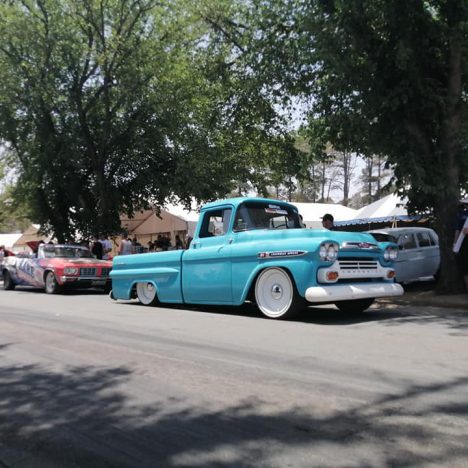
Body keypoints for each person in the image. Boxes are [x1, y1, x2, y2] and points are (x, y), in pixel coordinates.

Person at [454, 198, 468, 292]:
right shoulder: (462, 215)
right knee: (465, 268)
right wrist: (455, 243)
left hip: (464, 242)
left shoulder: (461, 215)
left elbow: (457, 231)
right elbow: (458, 230)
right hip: (464, 243)